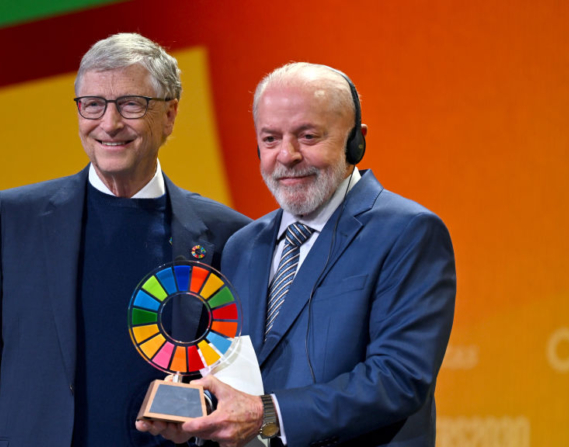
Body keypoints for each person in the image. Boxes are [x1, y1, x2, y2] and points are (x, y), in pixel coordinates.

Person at [0, 33, 250, 447]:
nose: (109, 124)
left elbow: (234, 382)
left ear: (169, 115)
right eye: (93, 104)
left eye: (131, 104)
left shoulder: (227, 234)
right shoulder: (15, 217)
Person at [138, 63, 456, 446]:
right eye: (270, 139)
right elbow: (238, 369)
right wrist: (197, 406)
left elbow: (398, 379)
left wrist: (267, 414)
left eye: (308, 136)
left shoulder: (408, 231)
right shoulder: (243, 245)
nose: (286, 156)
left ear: (357, 140)